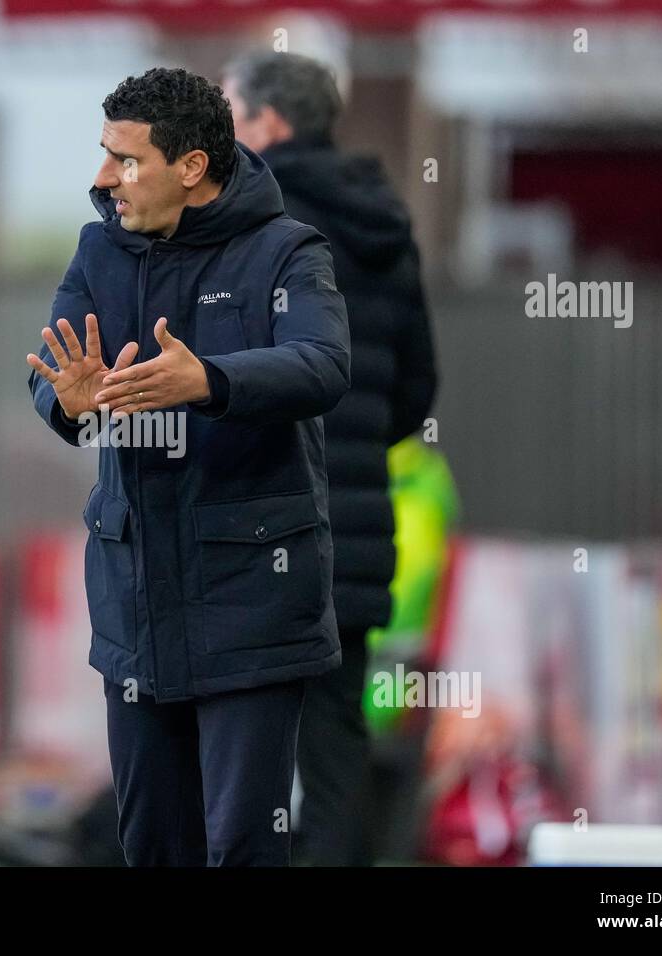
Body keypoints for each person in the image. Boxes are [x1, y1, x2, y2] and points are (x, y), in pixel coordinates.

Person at [25, 67, 350, 866]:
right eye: (106, 155)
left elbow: (322, 364)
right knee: (153, 849)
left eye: (127, 161)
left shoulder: (288, 252)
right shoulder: (97, 248)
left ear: (193, 168)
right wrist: (68, 400)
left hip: (254, 605)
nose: (105, 179)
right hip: (135, 609)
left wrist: (210, 380)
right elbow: (49, 373)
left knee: (242, 847)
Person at [223, 52, 439, 865]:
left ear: (270, 125)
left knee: (236, 754)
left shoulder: (248, 223)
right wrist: (344, 453)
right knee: (336, 756)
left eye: (230, 115)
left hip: (256, 532)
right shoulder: (385, 220)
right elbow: (417, 387)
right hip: (353, 537)